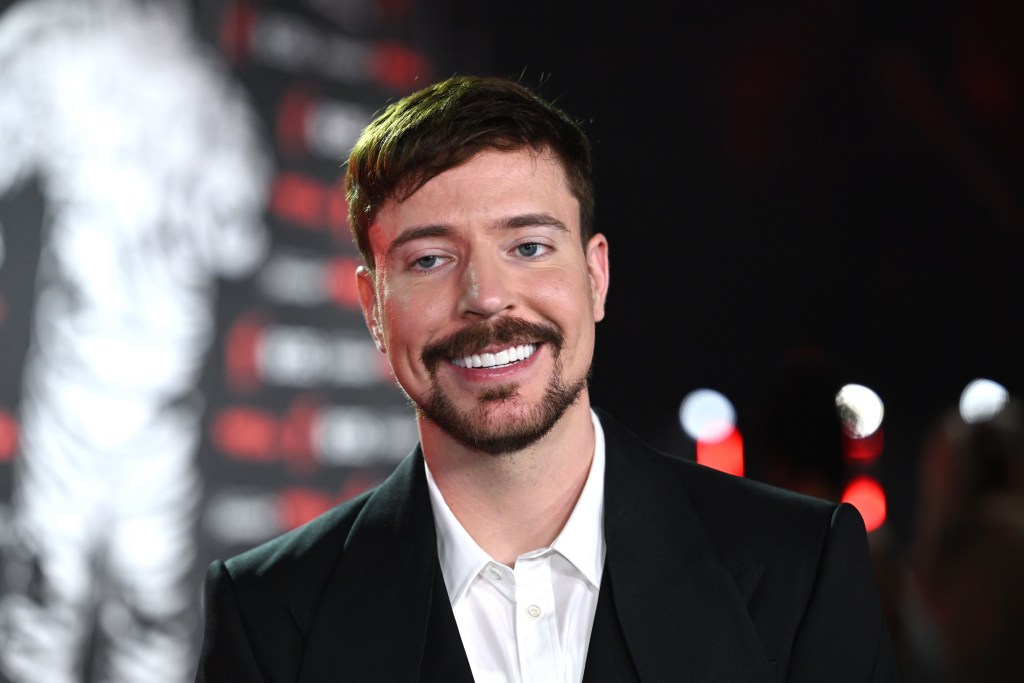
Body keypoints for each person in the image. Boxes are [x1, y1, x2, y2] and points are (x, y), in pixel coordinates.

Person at [195, 74, 899, 682]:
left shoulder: (800, 569)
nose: (486, 296)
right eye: (430, 260)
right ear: (373, 308)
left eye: (528, 246)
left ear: (595, 276)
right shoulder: (268, 614)